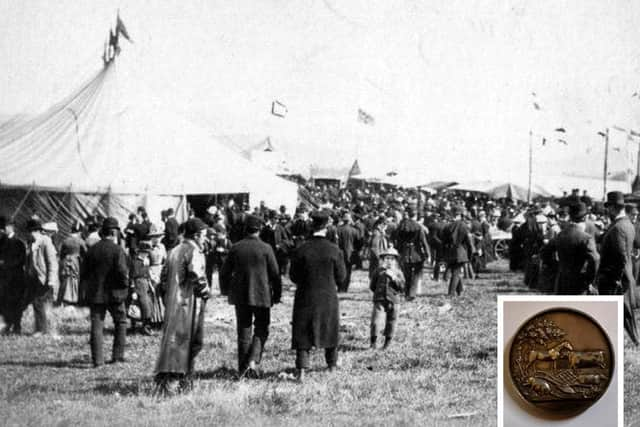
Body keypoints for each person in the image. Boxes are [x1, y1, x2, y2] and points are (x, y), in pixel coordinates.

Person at [220, 215, 282, 378]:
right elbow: (275, 274)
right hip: (262, 295)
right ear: (259, 229)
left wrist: (225, 291)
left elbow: (224, 272)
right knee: (262, 328)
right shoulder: (266, 248)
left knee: (243, 331)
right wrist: (277, 295)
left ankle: (243, 369)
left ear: (245, 229)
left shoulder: (236, 248)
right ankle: (253, 361)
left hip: (241, 296)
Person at [155, 218, 210, 394]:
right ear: (196, 235)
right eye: (204, 235)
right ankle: (182, 382)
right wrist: (205, 292)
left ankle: (168, 381)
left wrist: (166, 298)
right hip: (188, 303)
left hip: (172, 303)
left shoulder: (173, 251)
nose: (205, 239)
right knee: (191, 342)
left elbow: (162, 279)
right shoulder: (193, 251)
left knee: (173, 341)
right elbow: (197, 274)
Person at [290, 210, 346, 380]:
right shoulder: (334, 250)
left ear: (311, 226)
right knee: (330, 329)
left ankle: (301, 370)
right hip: (328, 295)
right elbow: (342, 277)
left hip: (305, 296)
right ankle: (331, 365)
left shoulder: (301, 249)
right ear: (326, 227)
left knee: (302, 331)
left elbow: (293, 276)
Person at [81, 217, 130, 367]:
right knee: (121, 322)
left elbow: (84, 273)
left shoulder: (93, 250)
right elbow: (123, 272)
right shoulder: (118, 250)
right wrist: (125, 285)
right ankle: (117, 356)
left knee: (97, 326)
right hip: (115, 294)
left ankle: (98, 360)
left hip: (96, 294)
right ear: (114, 232)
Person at [597, 191, 639, 345]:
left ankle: (620, 342)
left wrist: (616, 280)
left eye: (608, 207)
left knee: (617, 313)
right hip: (622, 277)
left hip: (614, 279)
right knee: (626, 313)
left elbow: (621, 256)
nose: (607, 211)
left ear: (614, 208)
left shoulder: (618, 228)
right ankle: (634, 341)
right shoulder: (627, 224)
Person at [542, 202, 599, 295]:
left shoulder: (561, 234)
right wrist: (589, 280)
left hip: (561, 281)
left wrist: (556, 266)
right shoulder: (585, 237)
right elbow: (595, 259)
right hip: (579, 283)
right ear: (585, 218)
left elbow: (545, 252)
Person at [24, 218, 58, 336]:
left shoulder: (45, 241)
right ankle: (43, 328)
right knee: (37, 303)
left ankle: (42, 330)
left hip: (44, 278)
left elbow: (52, 262)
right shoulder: (31, 243)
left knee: (39, 302)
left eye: (30, 232)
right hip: (34, 278)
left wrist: (51, 280)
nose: (29, 234)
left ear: (37, 231)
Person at [369, 247, 405, 350]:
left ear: (395, 261)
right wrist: (378, 293)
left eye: (392, 259)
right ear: (383, 260)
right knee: (375, 321)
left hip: (393, 300)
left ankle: (387, 343)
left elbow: (402, 287)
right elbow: (372, 286)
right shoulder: (378, 271)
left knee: (392, 321)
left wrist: (393, 277)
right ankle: (373, 342)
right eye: (387, 258)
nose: (389, 261)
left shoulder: (398, 272)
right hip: (379, 299)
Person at [393, 206, 430, 301]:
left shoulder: (401, 226)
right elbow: (423, 241)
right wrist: (427, 253)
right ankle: (412, 293)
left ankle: (406, 293)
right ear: (416, 215)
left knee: (407, 274)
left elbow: (397, 239)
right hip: (416, 253)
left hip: (405, 252)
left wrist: (399, 250)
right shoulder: (418, 226)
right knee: (417, 274)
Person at [0, 218, 26, 334]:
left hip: (16, 278)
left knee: (16, 303)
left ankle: (17, 326)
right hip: (4, 278)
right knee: (4, 303)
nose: (3, 229)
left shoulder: (19, 243)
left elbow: (21, 260)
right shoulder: (2, 241)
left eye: (4, 227)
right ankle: (8, 324)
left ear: (11, 227)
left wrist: (5, 264)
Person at [441, 207, 475, 297]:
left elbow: (443, 241)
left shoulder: (447, 226)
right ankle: (451, 293)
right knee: (456, 273)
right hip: (460, 252)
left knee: (455, 271)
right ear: (461, 215)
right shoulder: (464, 226)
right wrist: (471, 254)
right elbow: (468, 242)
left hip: (450, 251)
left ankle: (459, 290)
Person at [57, 221, 87, 306]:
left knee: (65, 280)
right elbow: (85, 253)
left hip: (65, 261)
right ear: (80, 231)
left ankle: (62, 299)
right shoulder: (81, 241)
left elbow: (61, 253)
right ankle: (74, 299)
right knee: (75, 280)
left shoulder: (65, 240)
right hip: (75, 262)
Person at [336, 212, 361, 292]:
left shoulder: (338, 229)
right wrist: (356, 250)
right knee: (348, 270)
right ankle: (345, 287)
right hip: (350, 253)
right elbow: (359, 242)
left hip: (339, 252)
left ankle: (340, 287)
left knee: (339, 269)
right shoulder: (354, 230)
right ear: (350, 221)